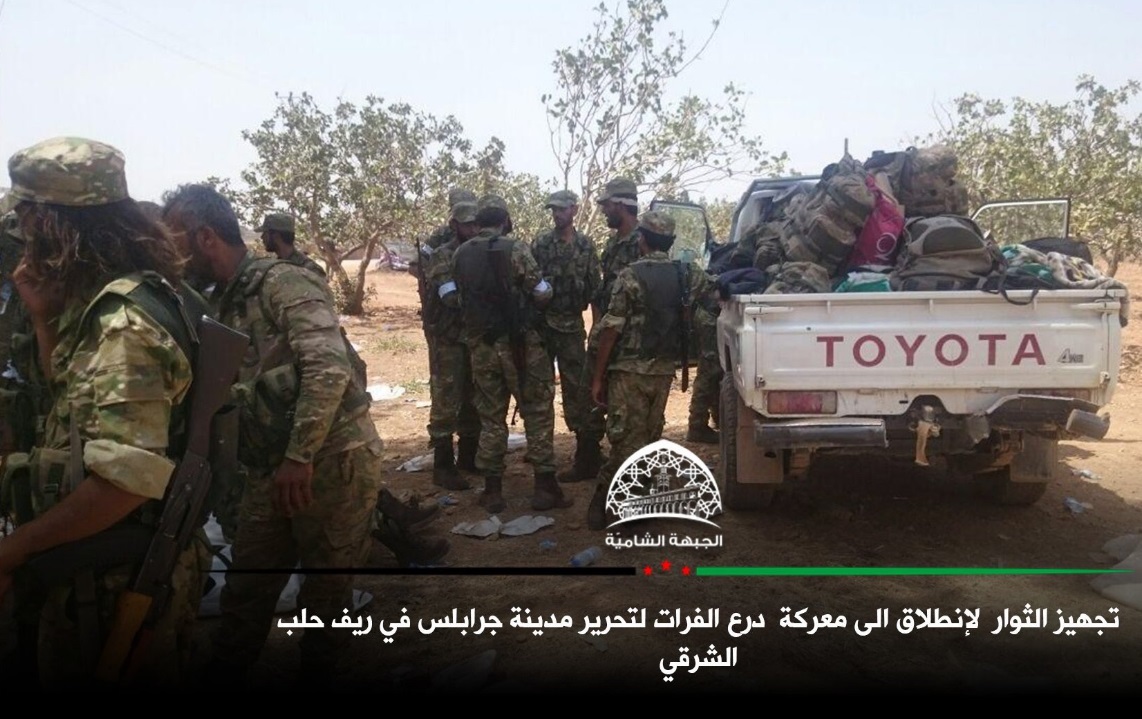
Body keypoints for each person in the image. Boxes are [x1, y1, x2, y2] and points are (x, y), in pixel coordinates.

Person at [0, 137, 207, 686]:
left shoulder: (123, 321)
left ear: (53, 224)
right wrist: (43, 317)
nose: (23, 236)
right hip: (98, 569)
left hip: (114, 581)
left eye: (27, 220)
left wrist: (13, 552)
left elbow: (126, 482)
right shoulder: (109, 302)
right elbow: (74, 404)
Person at [162, 183, 382, 686]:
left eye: (175, 242)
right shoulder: (219, 300)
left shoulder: (283, 282)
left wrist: (299, 457)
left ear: (205, 237)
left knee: (326, 595)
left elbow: (328, 367)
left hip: (331, 461)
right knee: (248, 588)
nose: (172, 256)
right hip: (268, 467)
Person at [586, 211, 715, 530]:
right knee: (646, 437)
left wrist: (598, 377)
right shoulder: (688, 274)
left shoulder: (629, 275)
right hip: (662, 370)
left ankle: (608, 499)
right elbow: (714, 292)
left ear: (641, 240)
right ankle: (616, 501)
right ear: (670, 242)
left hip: (629, 371)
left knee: (627, 440)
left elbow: (611, 329)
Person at [448, 195, 571, 512]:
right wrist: (548, 292)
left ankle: (492, 491)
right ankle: (545, 487)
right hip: (519, 345)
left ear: (479, 223)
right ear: (505, 221)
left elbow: (459, 296)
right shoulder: (515, 248)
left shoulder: (461, 253)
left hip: (481, 347)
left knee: (491, 417)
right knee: (537, 411)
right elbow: (539, 292)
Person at [561, 177, 643, 484]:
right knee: (588, 397)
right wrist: (597, 328)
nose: (604, 210)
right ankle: (588, 459)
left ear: (621, 205)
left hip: (629, 340)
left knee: (625, 408)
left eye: (607, 205)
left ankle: (625, 469)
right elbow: (601, 292)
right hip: (606, 334)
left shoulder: (642, 243)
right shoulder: (613, 244)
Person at [531, 190, 601, 479]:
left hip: (572, 328)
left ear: (574, 209)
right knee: (539, 390)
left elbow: (595, 290)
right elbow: (528, 284)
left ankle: (587, 455)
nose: (556, 214)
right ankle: (540, 452)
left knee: (578, 391)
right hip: (542, 327)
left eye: (561, 209)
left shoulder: (586, 246)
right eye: (553, 210)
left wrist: (597, 327)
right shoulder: (541, 244)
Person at [421, 200, 482, 489]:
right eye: (467, 224)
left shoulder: (480, 253)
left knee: (474, 397)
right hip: (448, 339)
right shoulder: (442, 256)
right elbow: (450, 298)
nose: (473, 229)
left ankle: (469, 456)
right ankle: (443, 465)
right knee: (446, 399)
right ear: (454, 225)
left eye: (476, 224)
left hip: (475, 338)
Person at [686, 290, 723, 444]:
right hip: (711, 315)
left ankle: (717, 418)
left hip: (713, 313)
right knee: (709, 370)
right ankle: (697, 426)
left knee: (716, 370)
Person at [256, 212, 325, 278]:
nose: (262, 237)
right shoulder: (276, 265)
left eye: (265, 233)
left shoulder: (310, 269)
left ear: (276, 236)